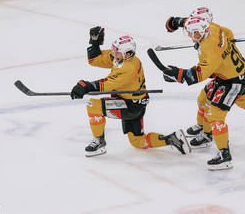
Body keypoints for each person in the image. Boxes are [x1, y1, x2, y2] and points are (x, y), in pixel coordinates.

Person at [158, 14, 245, 170]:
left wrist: (177, 74)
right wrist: (178, 22)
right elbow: (228, 32)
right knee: (206, 99)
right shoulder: (213, 28)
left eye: (192, 33)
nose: (190, 36)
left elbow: (200, 74)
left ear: (200, 31)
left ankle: (224, 156)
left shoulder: (210, 49)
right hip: (230, 73)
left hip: (232, 80)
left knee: (215, 114)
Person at [70, 26, 191, 157]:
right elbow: (94, 60)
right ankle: (172, 139)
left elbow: (107, 85)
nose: (113, 54)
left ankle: (99, 142)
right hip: (135, 102)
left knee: (93, 106)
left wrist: (85, 85)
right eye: (114, 51)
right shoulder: (122, 57)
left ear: (127, 54)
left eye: (116, 53)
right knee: (138, 142)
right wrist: (94, 42)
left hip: (130, 106)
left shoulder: (128, 67)